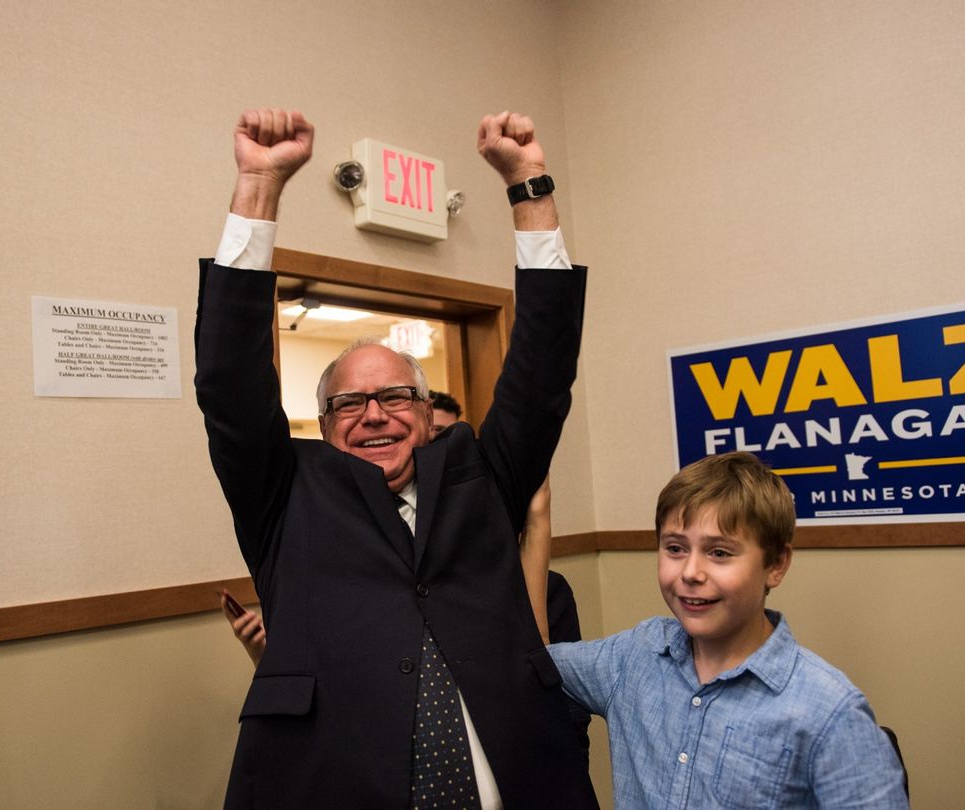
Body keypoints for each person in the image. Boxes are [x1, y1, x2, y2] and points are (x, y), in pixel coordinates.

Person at [195, 107, 598, 809]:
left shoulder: (478, 477)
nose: (374, 414)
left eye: (394, 397)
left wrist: (530, 186)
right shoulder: (285, 495)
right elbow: (229, 383)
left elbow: (542, 372)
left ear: (425, 410)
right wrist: (259, 188)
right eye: (350, 404)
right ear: (323, 426)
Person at [543, 452, 909, 809]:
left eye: (719, 553)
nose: (691, 572)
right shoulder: (633, 657)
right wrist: (535, 526)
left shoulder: (829, 712)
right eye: (675, 548)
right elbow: (529, 663)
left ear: (776, 565)